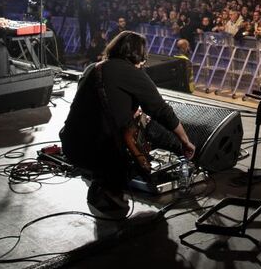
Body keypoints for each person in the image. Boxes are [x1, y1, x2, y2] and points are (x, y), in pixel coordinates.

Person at [60, 31, 196, 217]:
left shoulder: (92, 68)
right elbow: (161, 110)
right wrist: (185, 140)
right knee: (143, 131)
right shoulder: (131, 72)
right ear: (138, 55)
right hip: (101, 153)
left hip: (71, 147)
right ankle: (109, 188)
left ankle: (101, 182)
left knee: (120, 126)